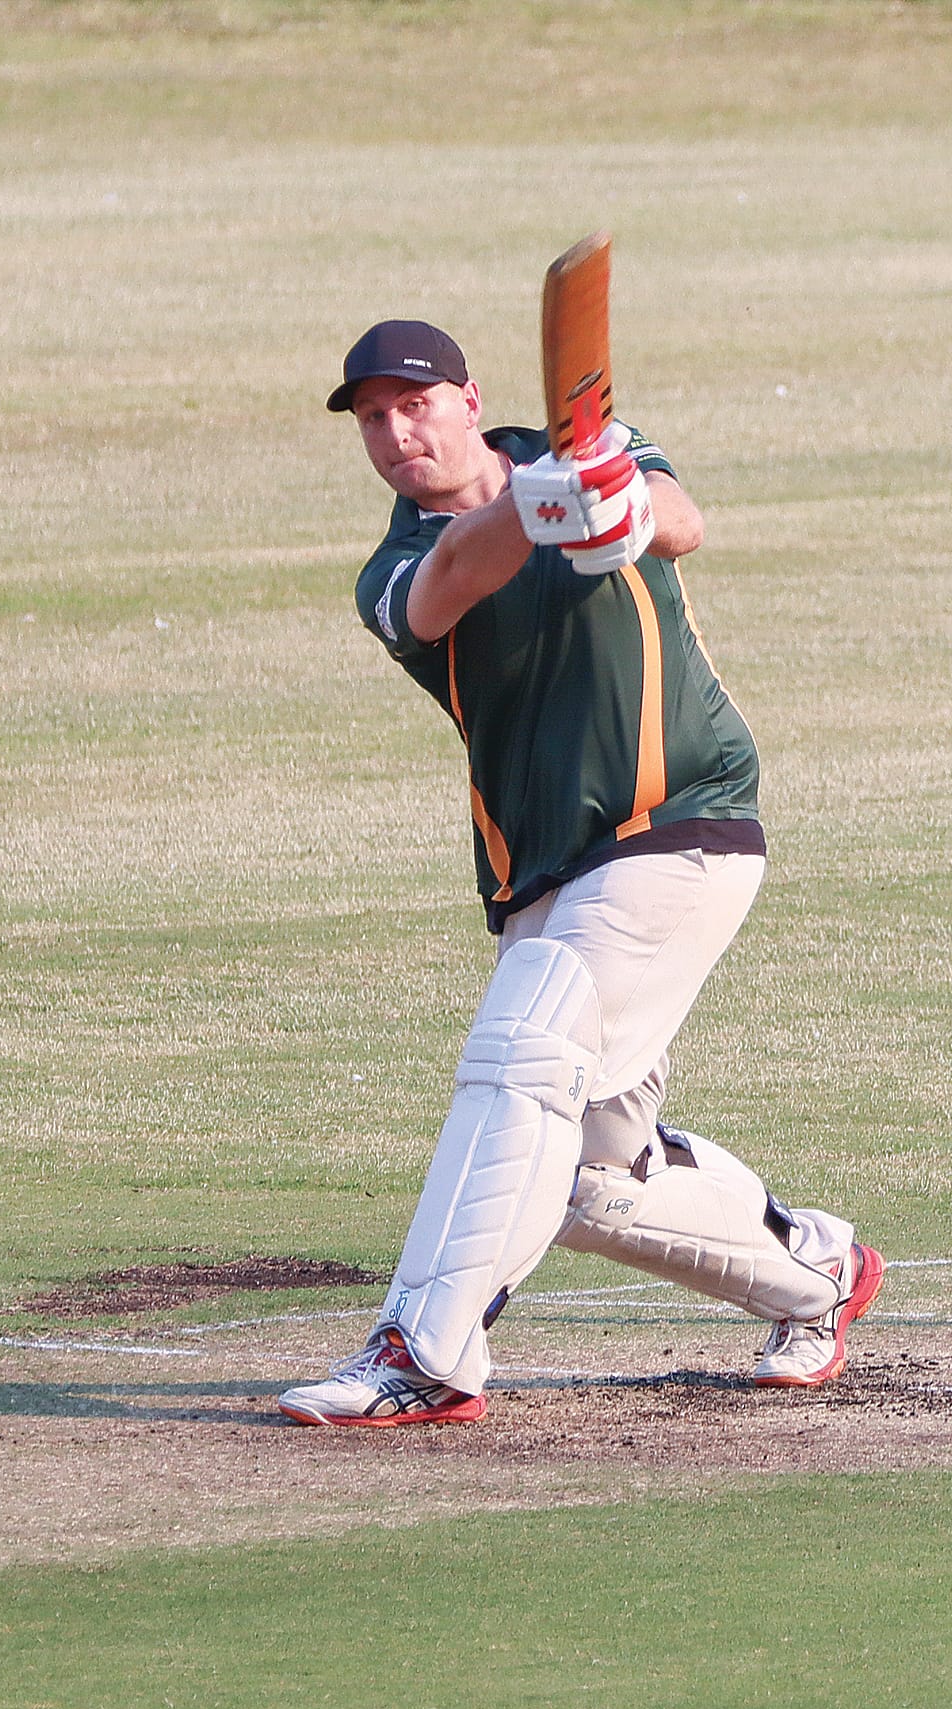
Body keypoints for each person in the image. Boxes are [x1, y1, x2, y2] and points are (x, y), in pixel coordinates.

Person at [278, 318, 883, 1426]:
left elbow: (685, 525)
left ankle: (423, 1350)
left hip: (678, 823)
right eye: (371, 417)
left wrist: (616, 499)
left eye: (415, 404)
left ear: (469, 400)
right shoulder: (394, 567)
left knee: (521, 1054)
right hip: (548, 877)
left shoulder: (598, 445)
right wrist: (541, 501)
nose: (395, 432)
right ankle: (816, 1271)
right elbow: (459, 571)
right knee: (587, 1172)